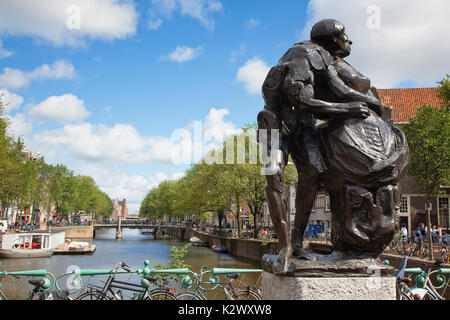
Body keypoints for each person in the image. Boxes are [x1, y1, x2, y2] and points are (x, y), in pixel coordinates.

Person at [259, 19, 388, 274]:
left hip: (302, 123)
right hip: (276, 121)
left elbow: (341, 90)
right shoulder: (301, 53)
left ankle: (296, 242)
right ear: (331, 38)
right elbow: (303, 99)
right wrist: (346, 109)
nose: (348, 40)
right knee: (274, 177)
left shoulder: (325, 58)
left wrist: (372, 102)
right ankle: (284, 248)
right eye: (344, 35)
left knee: (313, 174)